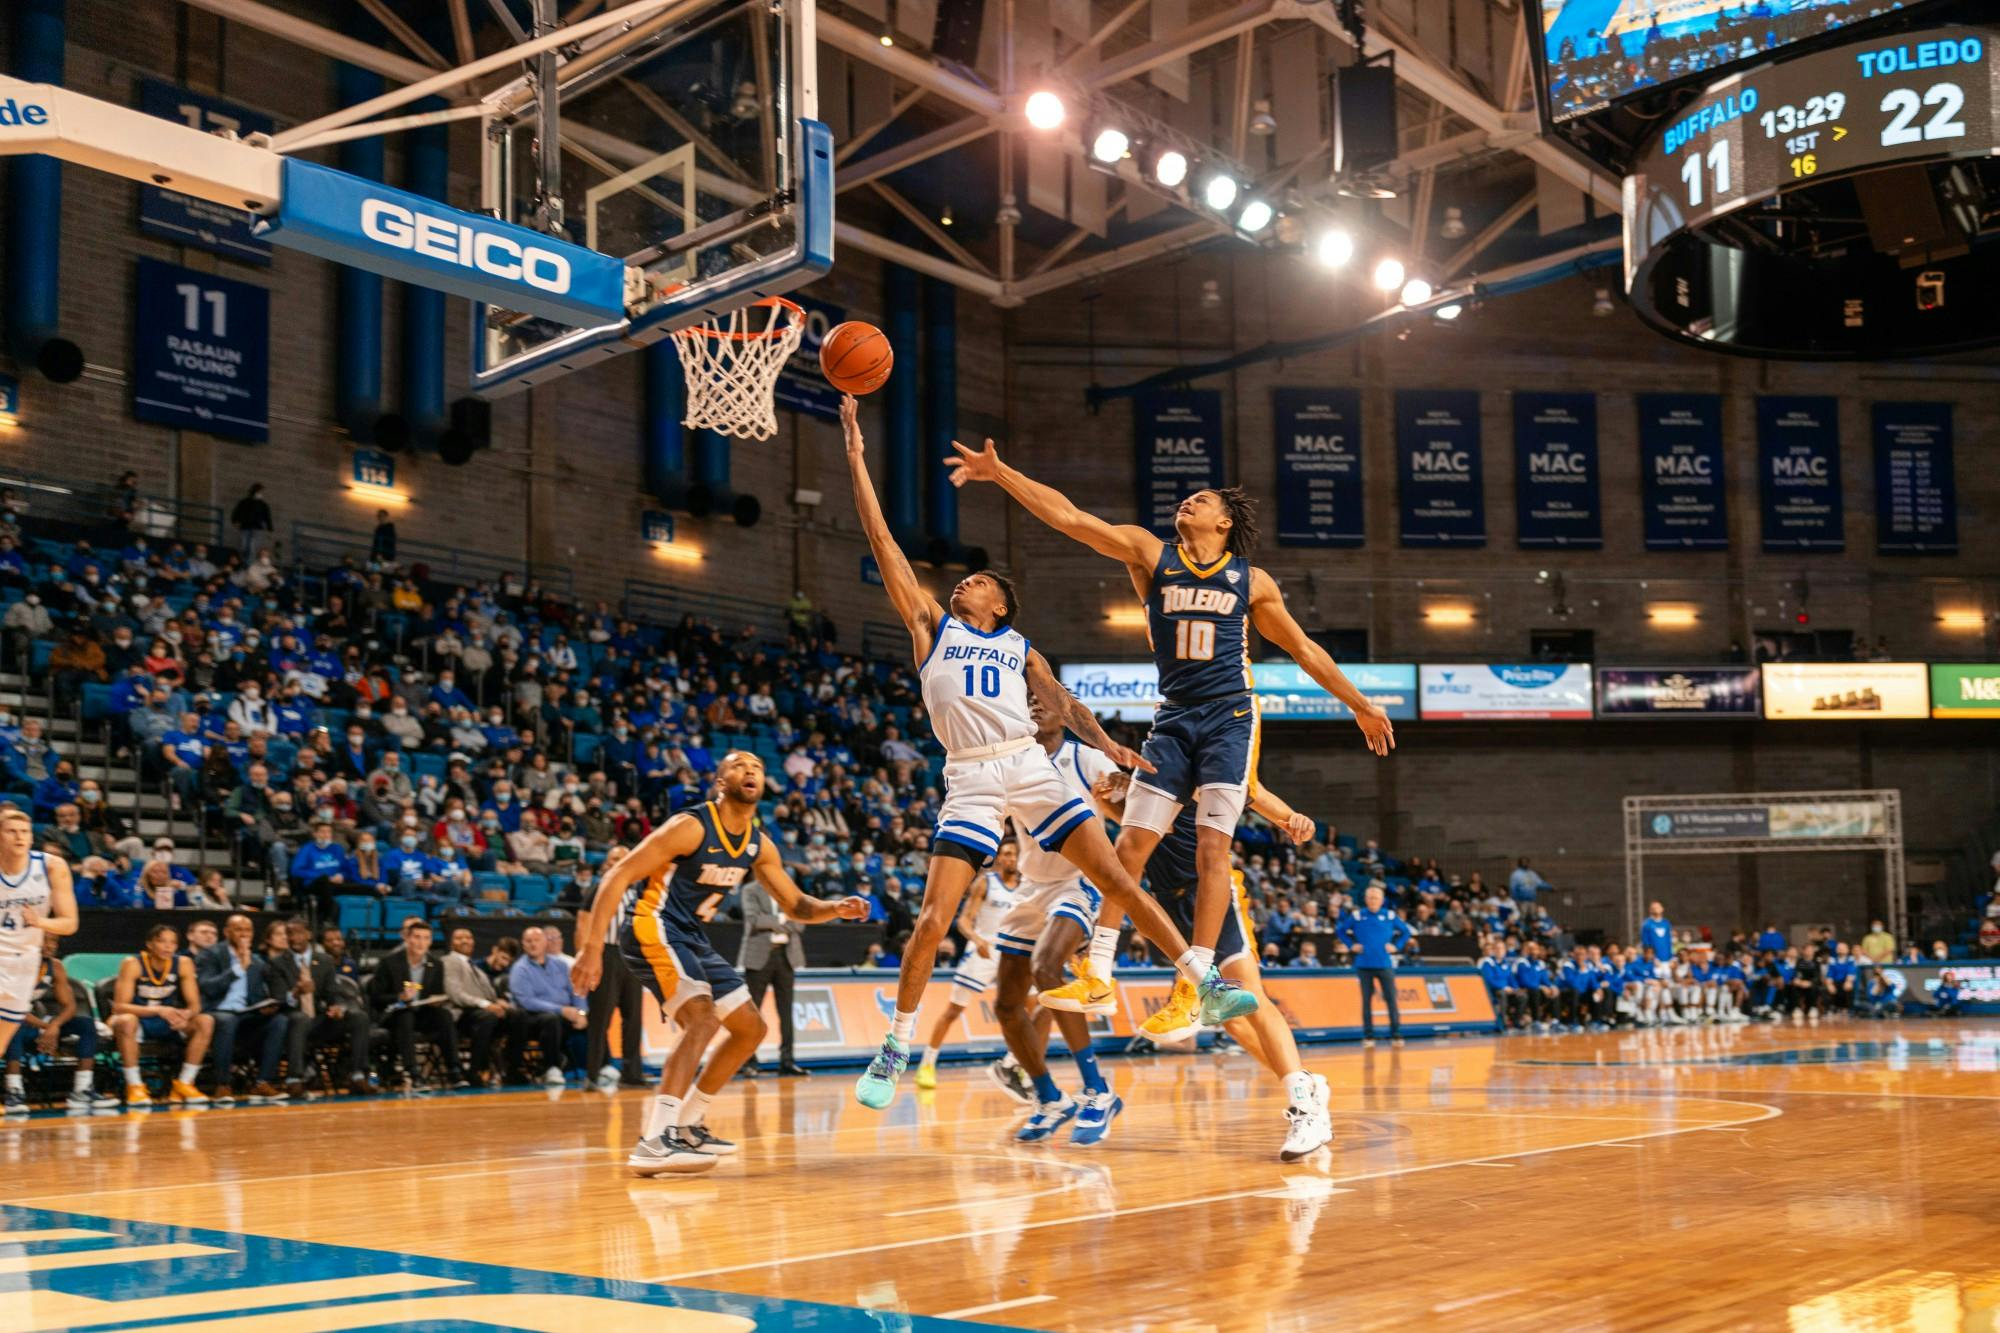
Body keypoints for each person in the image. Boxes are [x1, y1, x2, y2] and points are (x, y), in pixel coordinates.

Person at [945, 434, 1393, 1039]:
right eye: (1187, 498)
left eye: (1201, 499)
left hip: (1230, 716)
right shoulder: (1150, 554)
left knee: (1212, 851)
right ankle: (1098, 970)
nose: (1188, 502)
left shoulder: (1252, 581)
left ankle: (1198, 985)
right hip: (1175, 717)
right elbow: (1070, 519)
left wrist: (1360, 706)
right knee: (1128, 847)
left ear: (1225, 522)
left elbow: (1304, 649)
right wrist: (1001, 474)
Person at [840, 396, 1208, 1113]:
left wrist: (1108, 745)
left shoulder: (1018, 645)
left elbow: (1064, 705)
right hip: (972, 774)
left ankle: (1204, 980)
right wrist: (856, 453)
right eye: (964, 580)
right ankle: (897, 1044)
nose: (963, 583)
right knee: (932, 918)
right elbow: (881, 538)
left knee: (1116, 876)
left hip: (1028, 763)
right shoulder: (931, 626)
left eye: (978, 582)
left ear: (1000, 606)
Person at [570, 750, 868, 1175]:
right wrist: (592, 947)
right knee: (702, 1018)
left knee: (750, 1028)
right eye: (739, 765)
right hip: (651, 924)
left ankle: (688, 1124)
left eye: (758, 767)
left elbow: (797, 905)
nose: (750, 770)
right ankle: (656, 1140)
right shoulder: (690, 826)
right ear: (720, 782)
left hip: (691, 935)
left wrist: (835, 908)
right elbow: (618, 875)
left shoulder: (758, 844)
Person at [1084, 768, 1333, 1159]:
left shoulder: (1205, 769)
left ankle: (1303, 1102)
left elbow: (1254, 791)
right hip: (1170, 903)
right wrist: (1109, 802)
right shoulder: (1153, 776)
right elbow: (1147, 832)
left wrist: (1291, 817)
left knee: (1250, 998)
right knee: (1232, 1021)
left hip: (1211, 894)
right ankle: (1304, 1082)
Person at [913, 839, 1021, 1094]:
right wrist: (977, 939)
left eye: (1015, 854)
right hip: (982, 951)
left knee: (1028, 1010)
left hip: (1011, 952)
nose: (1011, 858)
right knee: (953, 1010)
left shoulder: (1025, 887)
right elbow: (963, 921)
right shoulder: (986, 883)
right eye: (1006, 854)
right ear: (999, 858)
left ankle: (1015, 1063)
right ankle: (927, 1063)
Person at [0, 809, 80, 1089]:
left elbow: (69, 923)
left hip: (25, 962)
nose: (19, 837)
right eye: (11, 831)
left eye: (25, 832)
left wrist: (40, 921)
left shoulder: (51, 867)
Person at [3, 935, 116, 1112]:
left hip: (37, 1023)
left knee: (86, 1025)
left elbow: (70, 1005)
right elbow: (9, 1008)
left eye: (54, 941)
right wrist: (46, 1027)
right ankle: (14, 1092)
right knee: (14, 1028)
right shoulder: (13, 964)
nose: (50, 945)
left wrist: (54, 1026)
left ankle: (82, 1090)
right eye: (45, 940)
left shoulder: (55, 966)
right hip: (11, 1019)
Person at [108, 923, 214, 1108]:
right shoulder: (132, 964)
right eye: (162, 941)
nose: (168, 947)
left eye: (173, 943)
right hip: (139, 1020)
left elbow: (195, 1005)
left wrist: (186, 1014)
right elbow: (119, 1007)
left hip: (168, 1021)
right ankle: (134, 1086)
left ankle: (184, 1083)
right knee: (126, 1021)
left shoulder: (183, 963)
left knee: (205, 1021)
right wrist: (158, 1010)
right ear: (150, 944)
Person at [267, 917, 375, 1098]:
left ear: (308, 934)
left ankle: (357, 1075)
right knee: (299, 1018)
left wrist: (337, 1007)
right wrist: (295, 992)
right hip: (292, 1022)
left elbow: (333, 993)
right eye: (289, 934)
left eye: (298, 933)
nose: (293, 938)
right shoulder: (278, 963)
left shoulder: (324, 961)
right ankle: (294, 1079)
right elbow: (277, 999)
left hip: (318, 1021)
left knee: (359, 1017)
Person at [195, 912, 290, 1103]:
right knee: (227, 1019)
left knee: (279, 1021)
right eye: (238, 929)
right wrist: (239, 968)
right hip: (216, 1012)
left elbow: (261, 993)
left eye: (248, 930)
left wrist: (266, 1006)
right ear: (226, 932)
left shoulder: (257, 961)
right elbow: (207, 987)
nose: (244, 934)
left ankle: (262, 1082)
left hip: (246, 1014)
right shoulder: (210, 954)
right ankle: (222, 1084)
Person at [367, 917, 467, 1092]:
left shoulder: (436, 964)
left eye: (426, 938)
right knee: (405, 1015)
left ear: (430, 942)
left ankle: (454, 1070)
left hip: (423, 1012)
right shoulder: (389, 962)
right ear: (407, 938)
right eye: (417, 937)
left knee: (444, 1015)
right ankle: (413, 1074)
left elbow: (437, 993)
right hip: (395, 1014)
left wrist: (437, 1001)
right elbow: (376, 997)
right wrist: (399, 996)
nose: (421, 942)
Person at [738, 871, 811, 1079]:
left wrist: (773, 921)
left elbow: (800, 922)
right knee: (753, 1013)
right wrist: (783, 918)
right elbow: (754, 920)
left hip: (786, 957)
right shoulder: (750, 890)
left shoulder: (789, 892)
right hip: (759, 957)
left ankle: (787, 1061)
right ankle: (749, 1062)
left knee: (786, 1012)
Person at [1337, 883, 1414, 1047]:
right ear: (1365, 899)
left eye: (1376, 898)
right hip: (1364, 965)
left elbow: (1406, 932)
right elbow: (1340, 931)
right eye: (1370, 898)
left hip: (1384, 964)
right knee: (1366, 1001)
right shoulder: (1358, 916)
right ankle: (1368, 1036)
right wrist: (1351, 945)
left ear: (1382, 900)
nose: (1373, 901)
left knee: (1391, 999)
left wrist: (1396, 946)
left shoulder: (1390, 916)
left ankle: (1396, 1034)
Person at [508, 926, 586, 1086]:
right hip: (534, 1018)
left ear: (545, 943)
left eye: (537, 940)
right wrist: (561, 1010)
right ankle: (552, 1068)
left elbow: (576, 991)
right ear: (523, 945)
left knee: (595, 1018)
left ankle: (603, 1067)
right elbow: (527, 1001)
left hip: (565, 1014)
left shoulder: (561, 965)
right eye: (528, 941)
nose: (533, 944)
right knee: (550, 1020)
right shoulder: (520, 969)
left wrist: (582, 1013)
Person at [230, 483, 272, 560]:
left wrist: (270, 527)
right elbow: (237, 511)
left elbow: (267, 516)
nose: (261, 494)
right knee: (243, 546)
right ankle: (243, 561)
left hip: (257, 528)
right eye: (260, 492)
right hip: (245, 527)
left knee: (253, 547)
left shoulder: (262, 504)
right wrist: (235, 521)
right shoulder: (245, 502)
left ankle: (250, 562)